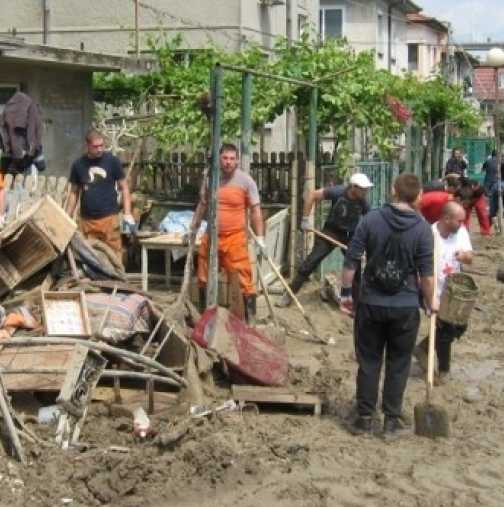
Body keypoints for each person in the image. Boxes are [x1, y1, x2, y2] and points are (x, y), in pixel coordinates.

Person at [341, 173, 435, 437]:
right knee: (399, 362)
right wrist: (431, 301)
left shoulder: (371, 219)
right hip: (405, 307)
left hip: (371, 303)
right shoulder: (423, 229)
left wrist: (346, 293)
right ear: (417, 197)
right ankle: (392, 421)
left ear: (394, 191)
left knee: (369, 361)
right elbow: (426, 275)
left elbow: (352, 259)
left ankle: (364, 418)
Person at [189, 143, 264, 322]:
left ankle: (248, 320)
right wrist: (193, 228)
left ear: (237, 160)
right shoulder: (210, 180)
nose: (228, 162)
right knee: (203, 276)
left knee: (243, 279)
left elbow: (255, 210)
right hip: (211, 236)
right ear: (219, 159)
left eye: (232, 158)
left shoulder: (246, 181)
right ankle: (204, 318)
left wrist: (260, 237)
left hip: (235, 237)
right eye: (225, 158)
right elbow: (202, 204)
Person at [276, 173, 373, 307]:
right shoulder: (338, 192)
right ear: (354, 187)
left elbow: (370, 221)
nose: (366, 191)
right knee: (310, 262)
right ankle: (289, 294)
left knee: (354, 269)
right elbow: (313, 195)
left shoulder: (363, 202)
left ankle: (356, 306)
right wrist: (305, 219)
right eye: (363, 189)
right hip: (331, 232)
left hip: (350, 236)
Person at [414, 202, 473, 383]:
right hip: (433, 289)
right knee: (445, 329)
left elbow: (470, 258)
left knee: (460, 325)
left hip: (453, 291)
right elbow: (419, 270)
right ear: (446, 219)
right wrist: (428, 297)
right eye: (459, 220)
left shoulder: (460, 232)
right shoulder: (429, 236)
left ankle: (423, 347)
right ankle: (444, 370)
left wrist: (464, 256)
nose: (462, 223)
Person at [66, 129, 134, 261]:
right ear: (88, 146)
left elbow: (124, 187)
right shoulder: (78, 165)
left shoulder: (112, 161)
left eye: (102, 145)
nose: (99, 149)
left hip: (109, 219)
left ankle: (117, 280)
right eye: (95, 146)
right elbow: (74, 192)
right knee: (90, 258)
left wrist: (127, 213)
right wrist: (67, 216)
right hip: (87, 222)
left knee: (114, 256)